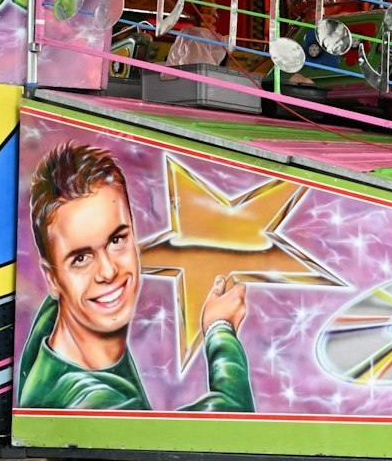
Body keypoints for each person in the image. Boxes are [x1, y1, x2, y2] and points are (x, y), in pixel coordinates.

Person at [16, 143, 254, 412]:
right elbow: (231, 421)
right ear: (52, 279)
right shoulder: (85, 402)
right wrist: (220, 329)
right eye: (81, 258)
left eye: (117, 240)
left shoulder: (63, 327)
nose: (108, 271)